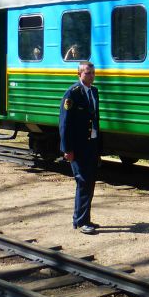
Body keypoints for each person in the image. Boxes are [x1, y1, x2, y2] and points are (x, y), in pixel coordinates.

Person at [59, 61, 102, 235]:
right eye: (87, 73)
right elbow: (64, 123)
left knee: (89, 182)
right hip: (77, 146)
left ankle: (82, 218)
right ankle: (82, 222)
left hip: (91, 144)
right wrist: (67, 149)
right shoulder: (72, 94)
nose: (91, 76)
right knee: (83, 181)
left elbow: (95, 120)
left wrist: (98, 146)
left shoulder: (94, 91)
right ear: (79, 74)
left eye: (92, 73)